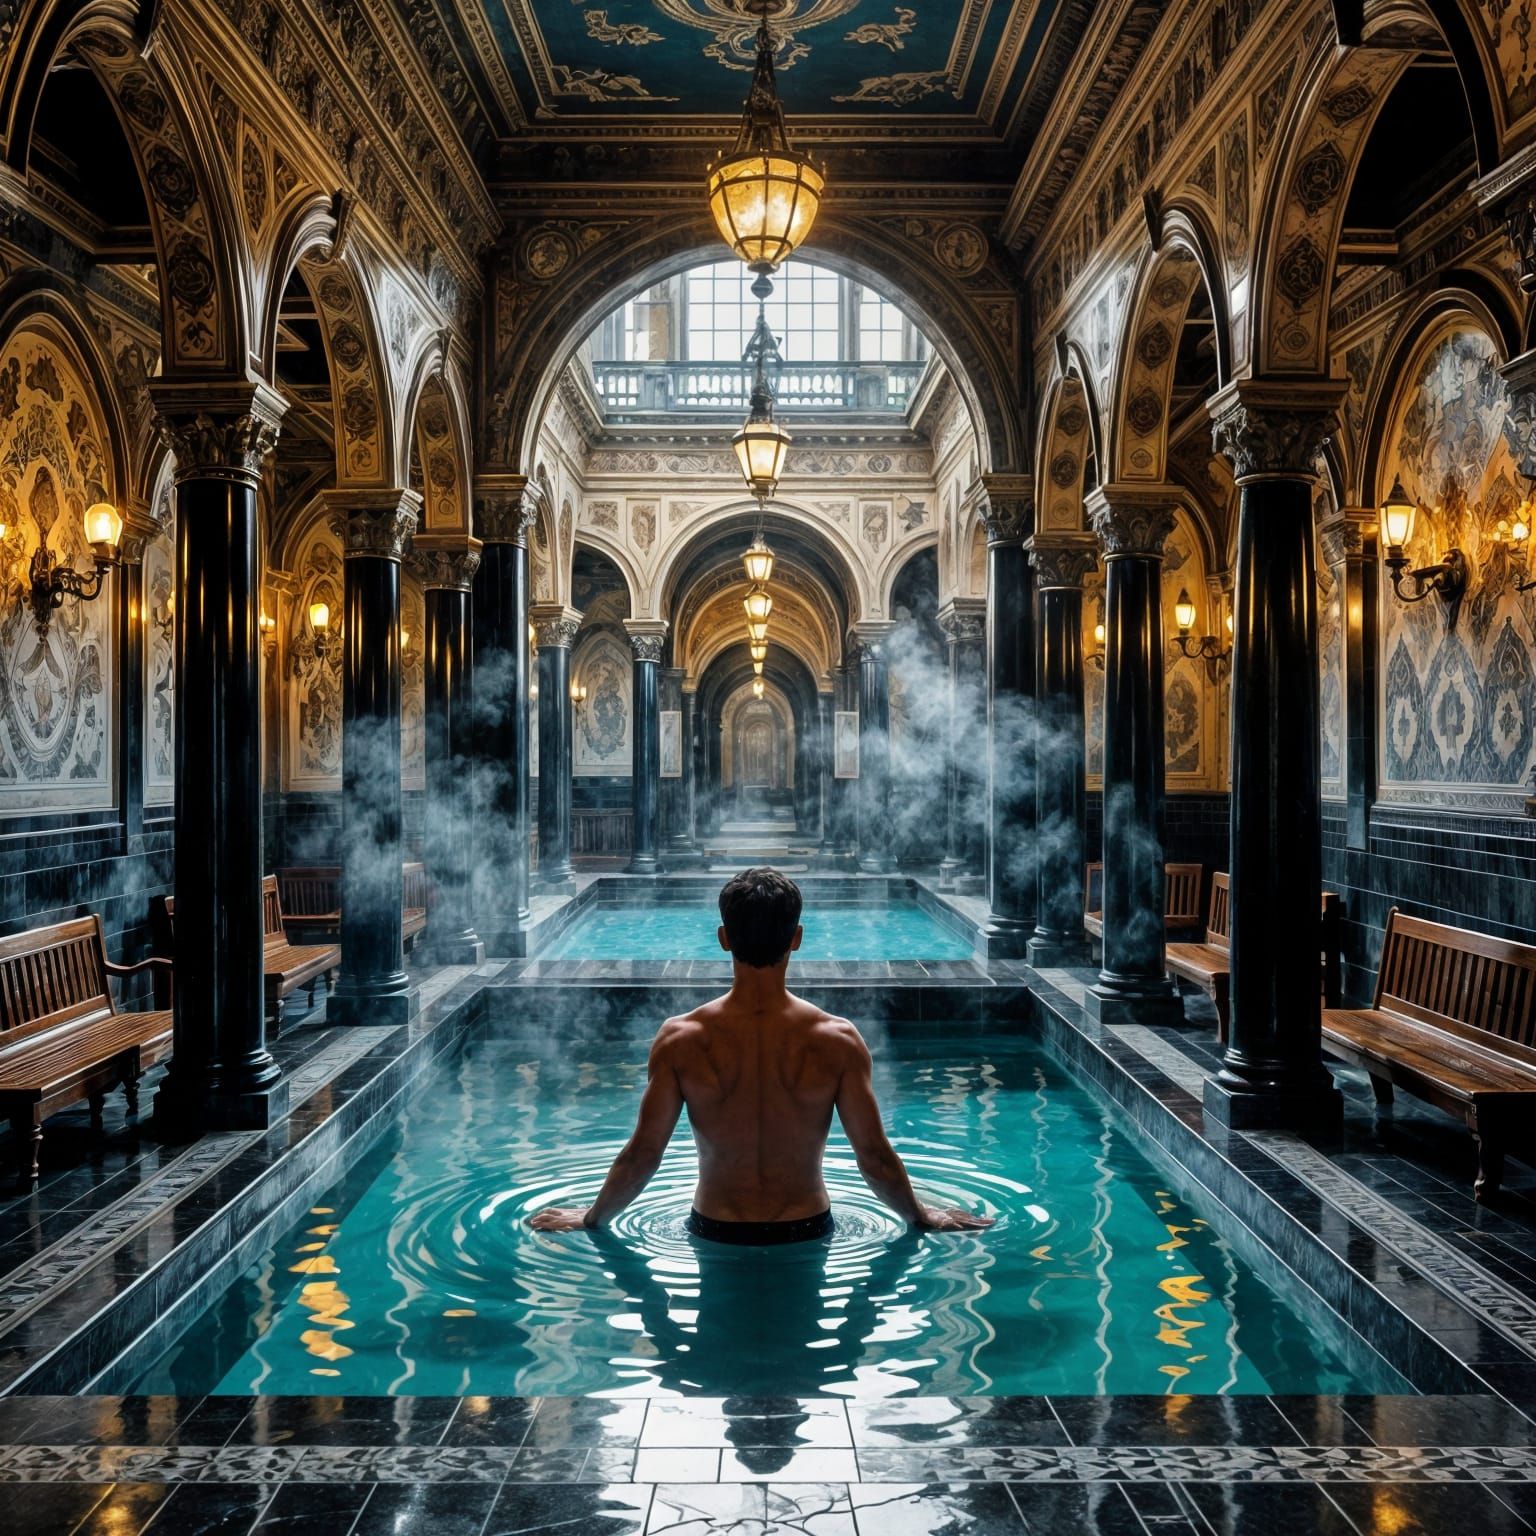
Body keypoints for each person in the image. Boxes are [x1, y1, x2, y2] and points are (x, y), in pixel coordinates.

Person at [530, 867, 994, 1242]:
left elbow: (644, 1154)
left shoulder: (681, 1038)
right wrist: (921, 1215)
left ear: (723, 938)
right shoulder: (837, 1039)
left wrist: (593, 1218)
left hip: (714, 1227)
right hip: (807, 1227)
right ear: (796, 938)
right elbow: (872, 1155)